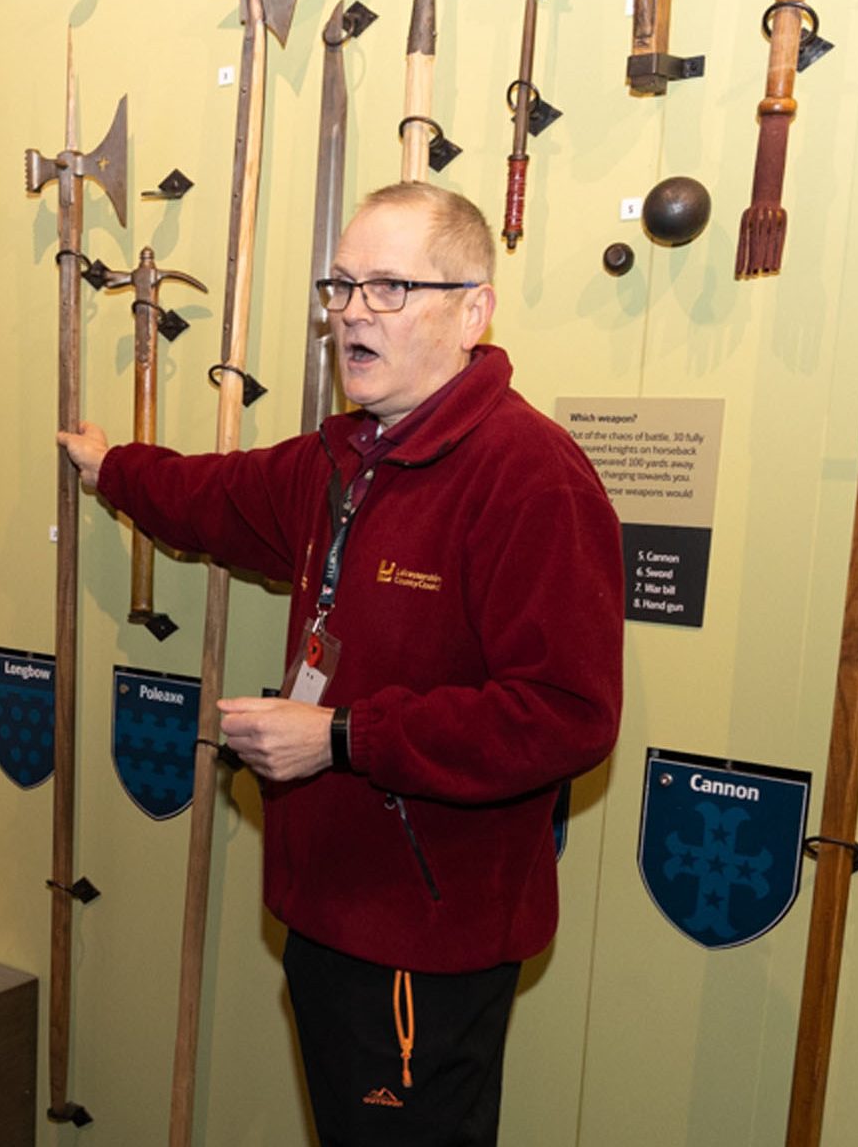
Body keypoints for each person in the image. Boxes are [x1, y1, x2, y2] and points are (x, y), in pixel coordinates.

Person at [58, 182, 624, 1146]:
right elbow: (215, 497)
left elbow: (565, 711)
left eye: (391, 288)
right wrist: (114, 470)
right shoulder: (346, 458)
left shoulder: (532, 478)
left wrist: (343, 737)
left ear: (473, 309)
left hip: (426, 942)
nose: (354, 312)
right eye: (343, 285)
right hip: (328, 913)